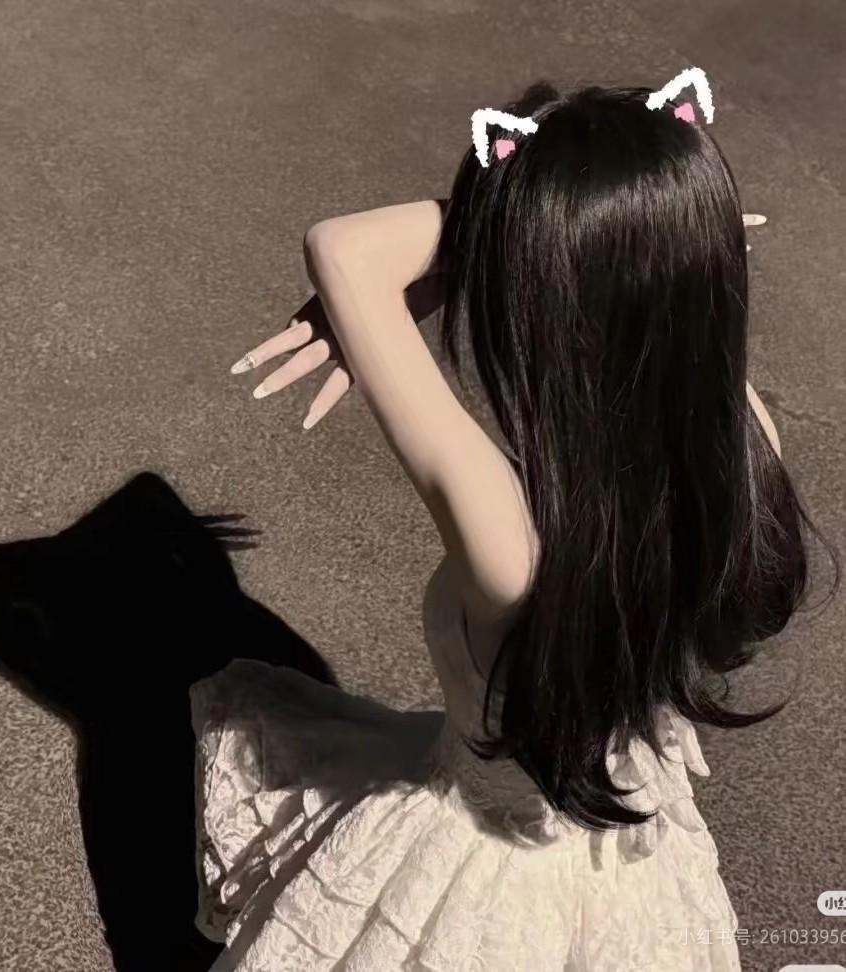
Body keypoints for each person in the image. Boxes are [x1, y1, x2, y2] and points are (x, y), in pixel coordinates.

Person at [189, 79, 835, 970]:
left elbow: (343, 249)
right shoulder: (746, 443)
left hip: (478, 875)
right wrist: (658, 231)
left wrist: (506, 232)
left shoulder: (509, 535)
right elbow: (678, 325)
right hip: (632, 862)